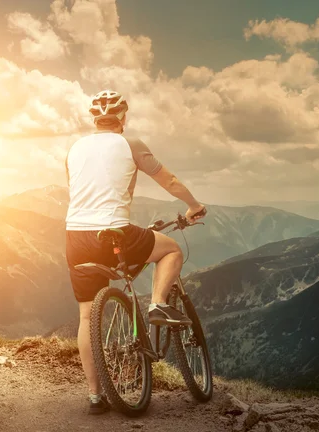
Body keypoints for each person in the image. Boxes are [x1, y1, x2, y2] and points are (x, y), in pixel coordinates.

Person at [64, 90, 207, 415]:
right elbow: (167, 179)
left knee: (86, 317)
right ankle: (157, 304)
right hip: (113, 232)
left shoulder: (74, 148)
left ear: (94, 119)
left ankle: (95, 397)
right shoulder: (131, 144)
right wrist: (193, 206)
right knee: (170, 251)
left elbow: (82, 190)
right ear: (123, 118)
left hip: (75, 236)